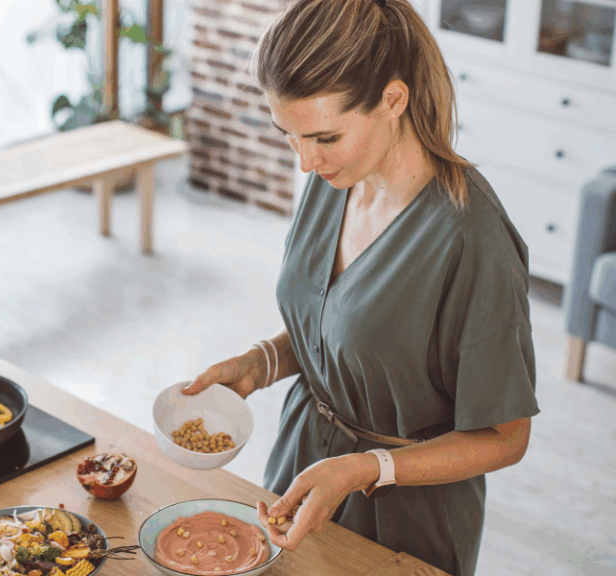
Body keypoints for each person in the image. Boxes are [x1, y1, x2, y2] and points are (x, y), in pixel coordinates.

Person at [181, 0, 540, 574]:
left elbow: (505, 436)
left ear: (392, 100)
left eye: (323, 136)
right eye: (289, 135)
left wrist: (366, 468)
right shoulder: (336, 176)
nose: (304, 161)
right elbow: (345, 323)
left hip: (407, 512)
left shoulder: (472, 239)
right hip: (303, 466)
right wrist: (260, 363)